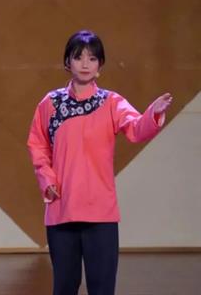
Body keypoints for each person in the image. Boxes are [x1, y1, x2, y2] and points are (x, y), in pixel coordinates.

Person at [27, 30, 172, 295]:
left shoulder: (111, 102)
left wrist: (153, 114)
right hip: (62, 208)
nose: (85, 64)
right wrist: (47, 179)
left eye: (92, 58)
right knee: (64, 286)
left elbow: (136, 128)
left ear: (100, 65)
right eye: (78, 57)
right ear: (67, 62)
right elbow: (37, 145)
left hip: (100, 213)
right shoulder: (51, 103)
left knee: (102, 288)